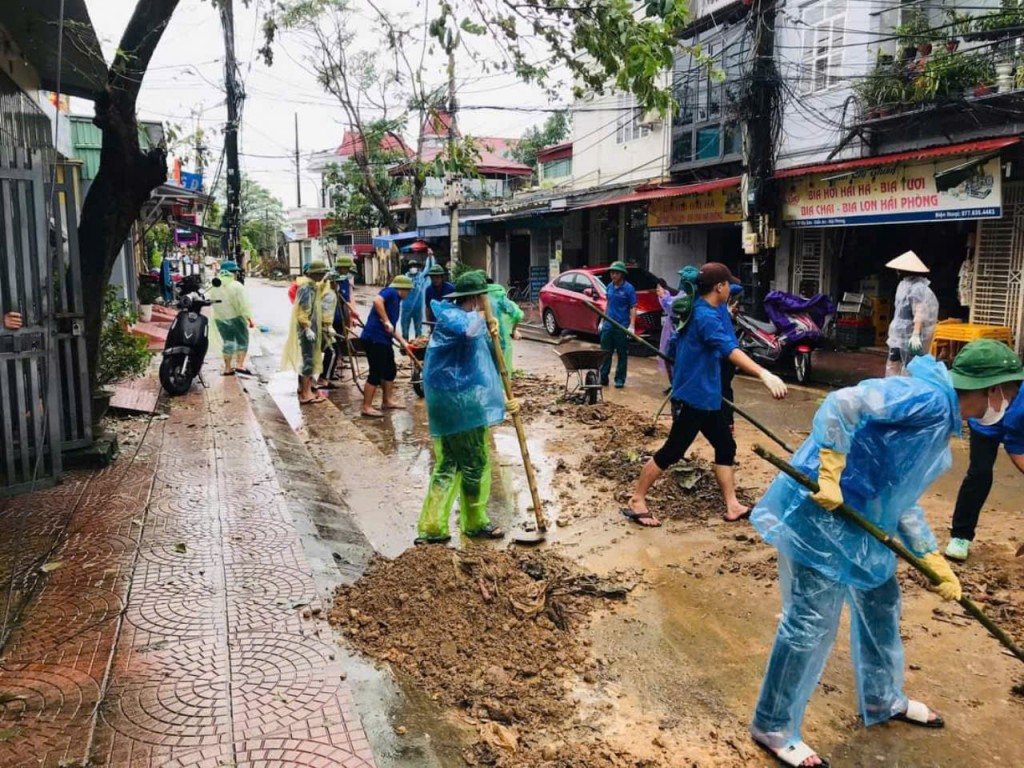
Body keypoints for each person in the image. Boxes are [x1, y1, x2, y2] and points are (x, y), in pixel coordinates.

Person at [747, 341, 1021, 768]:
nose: (1011, 399)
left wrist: (930, 556)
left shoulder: (941, 423)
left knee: (882, 602)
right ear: (990, 389)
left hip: (862, 522)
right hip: (824, 514)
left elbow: (900, 497)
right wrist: (831, 470)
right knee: (810, 623)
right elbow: (843, 403)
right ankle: (773, 724)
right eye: (1009, 389)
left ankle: (883, 697)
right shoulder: (928, 399)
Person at [625, 263, 788, 528]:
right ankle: (637, 500)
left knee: (725, 446)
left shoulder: (702, 309)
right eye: (727, 285)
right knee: (673, 451)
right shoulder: (705, 317)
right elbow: (728, 349)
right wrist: (764, 374)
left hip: (708, 395)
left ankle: (732, 504)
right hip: (694, 396)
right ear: (719, 287)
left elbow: (680, 346)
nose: (729, 290)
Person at [416, 270, 512, 543]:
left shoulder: (467, 317)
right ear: (476, 297)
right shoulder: (454, 316)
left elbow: (491, 354)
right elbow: (467, 329)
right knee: (474, 463)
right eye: (484, 297)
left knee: (449, 463)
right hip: (461, 403)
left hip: (454, 401)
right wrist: (485, 316)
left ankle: (434, 526)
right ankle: (474, 522)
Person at [946, 341, 1024, 561]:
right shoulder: (979, 404)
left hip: (1016, 425)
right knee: (979, 474)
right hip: (986, 425)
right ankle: (961, 535)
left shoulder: (1020, 408)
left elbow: (1017, 445)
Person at [360, 274, 413, 417]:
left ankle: (387, 400)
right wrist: (386, 320)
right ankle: (366, 407)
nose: (408, 294)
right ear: (402, 289)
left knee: (390, 370)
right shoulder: (391, 292)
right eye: (408, 290)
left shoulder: (397, 301)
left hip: (384, 339)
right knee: (376, 373)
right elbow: (377, 300)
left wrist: (404, 344)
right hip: (374, 338)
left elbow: (392, 328)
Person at [884, 250, 939, 377]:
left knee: (909, 366)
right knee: (894, 364)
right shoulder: (903, 284)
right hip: (898, 335)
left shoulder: (918, 288)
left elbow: (920, 312)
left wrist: (915, 333)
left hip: (909, 334)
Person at [282, 260, 330, 405]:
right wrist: (307, 327)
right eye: (320, 273)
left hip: (310, 328)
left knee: (309, 359)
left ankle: (306, 390)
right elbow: (303, 311)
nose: (322, 276)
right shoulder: (305, 288)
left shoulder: (312, 286)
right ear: (313, 274)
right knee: (308, 361)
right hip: (306, 329)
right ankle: (305, 394)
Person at [207, 261, 255, 376]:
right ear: (232, 273)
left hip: (220, 319)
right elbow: (243, 305)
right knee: (242, 341)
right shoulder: (236, 286)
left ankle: (227, 368)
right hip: (236, 318)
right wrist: (249, 318)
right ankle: (240, 365)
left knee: (227, 342)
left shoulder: (213, 286)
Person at [599, 261, 637, 388]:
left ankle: (620, 379)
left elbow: (633, 307)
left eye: (616, 273)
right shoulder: (609, 286)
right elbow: (608, 304)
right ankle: (603, 377)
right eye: (611, 272)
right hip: (608, 326)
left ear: (622, 274)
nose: (613, 275)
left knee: (622, 354)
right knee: (605, 352)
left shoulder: (629, 289)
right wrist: (602, 320)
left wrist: (632, 326)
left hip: (621, 326)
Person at [486, 279, 525, 373]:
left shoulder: (473, 296)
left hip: (481, 339)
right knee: (499, 371)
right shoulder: (499, 295)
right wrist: (513, 330)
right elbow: (517, 314)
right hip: (499, 336)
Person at [720, 282, 744, 431]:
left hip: (724, 354)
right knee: (724, 389)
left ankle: (727, 423)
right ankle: (727, 423)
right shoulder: (717, 305)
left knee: (722, 388)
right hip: (727, 353)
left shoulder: (710, 308)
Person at [316, 272, 342, 391]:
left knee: (333, 351)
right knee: (332, 352)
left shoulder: (327, 292)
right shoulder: (329, 295)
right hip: (323, 327)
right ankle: (324, 379)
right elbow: (324, 312)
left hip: (323, 326)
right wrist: (327, 326)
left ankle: (325, 377)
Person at [400, 259, 426, 339]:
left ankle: (417, 346)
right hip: (406, 307)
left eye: (414, 266)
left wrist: (430, 257)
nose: (413, 268)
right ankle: (404, 345)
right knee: (405, 327)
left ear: (417, 267)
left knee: (418, 328)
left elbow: (428, 269)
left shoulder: (421, 276)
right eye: (411, 266)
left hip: (418, 307)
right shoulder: (405, 277)